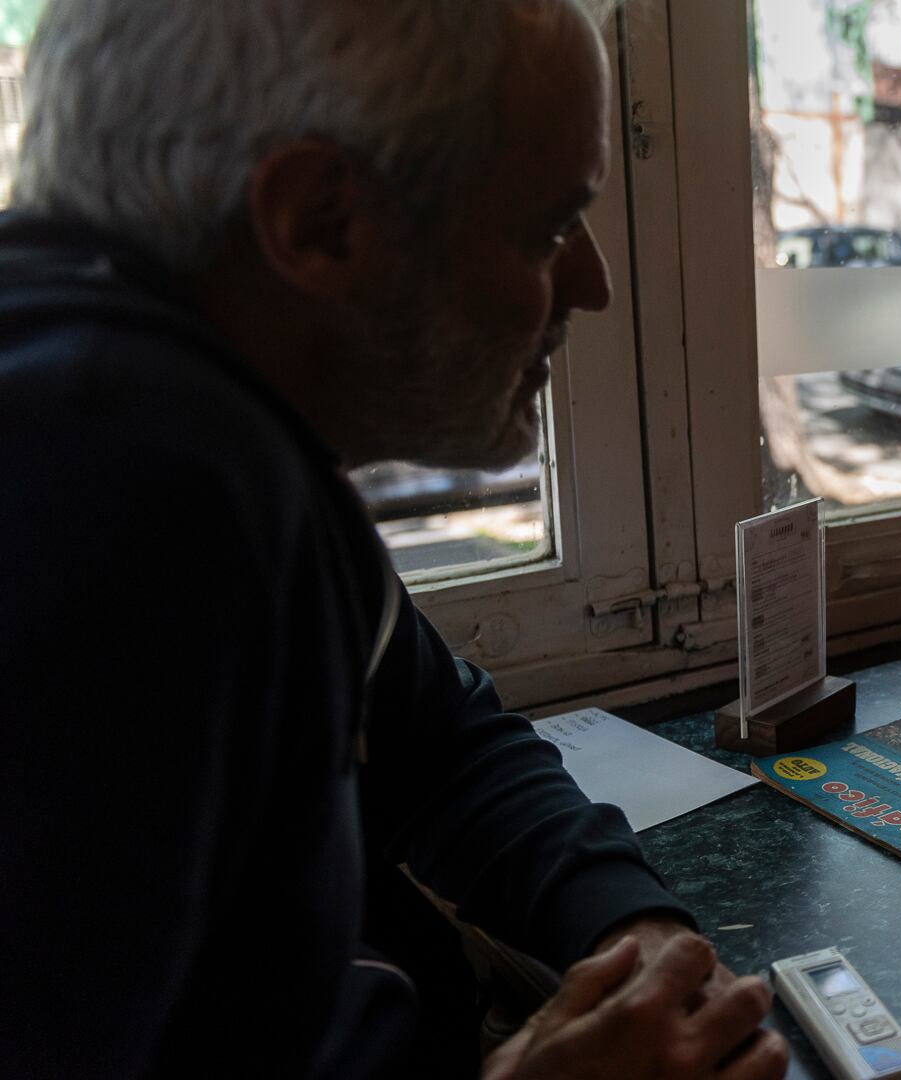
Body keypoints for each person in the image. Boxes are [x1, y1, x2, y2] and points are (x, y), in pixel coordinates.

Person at [0, 2, 787, 1077]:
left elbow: (439, 741)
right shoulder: (121, 493)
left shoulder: (227, 440)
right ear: (321, 222)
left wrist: (632, 938)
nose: (594, 285)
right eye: (548, 230)